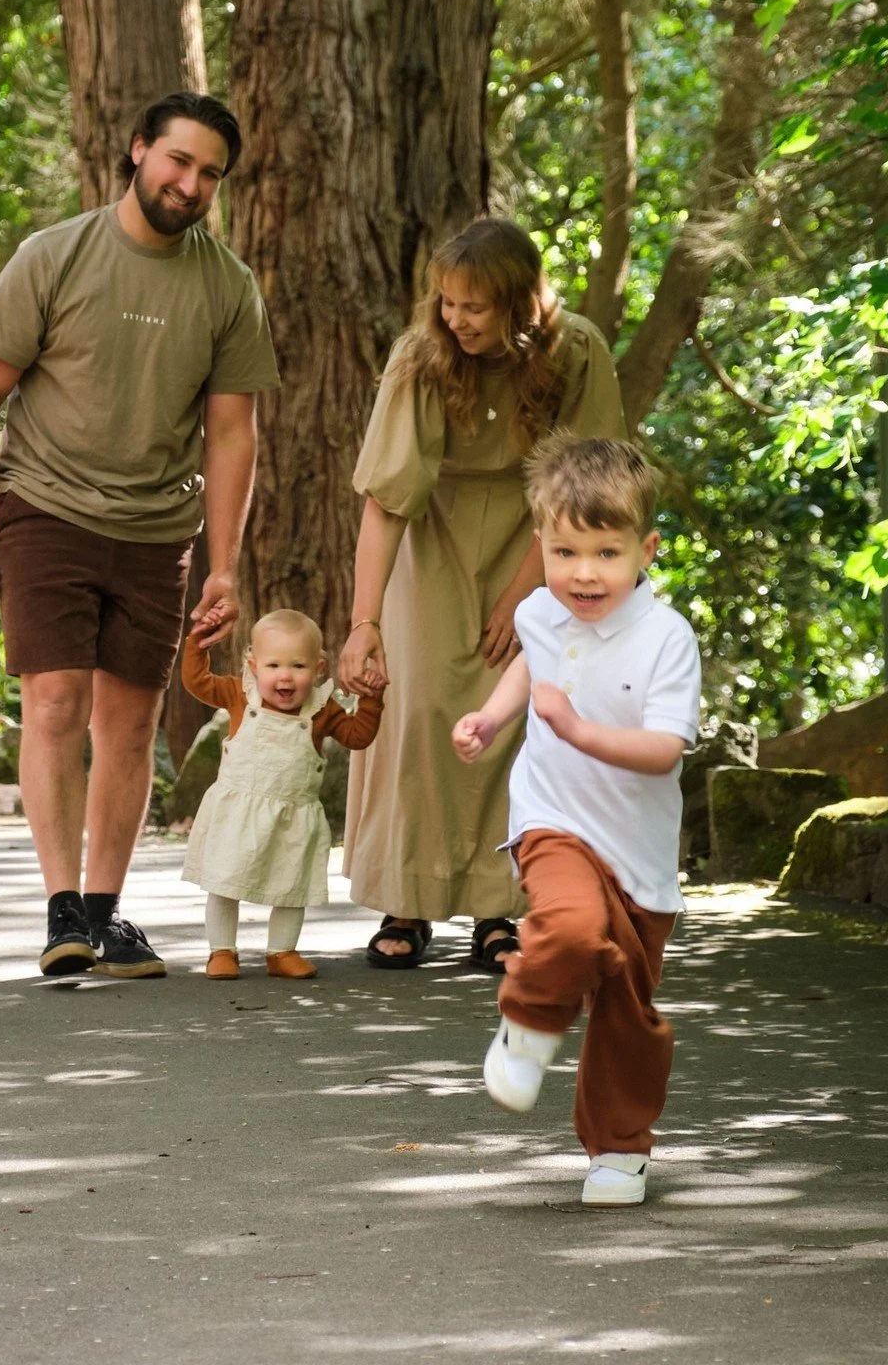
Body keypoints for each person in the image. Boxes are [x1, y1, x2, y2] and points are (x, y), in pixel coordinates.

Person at [0, 92, 279, 981]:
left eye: (210, 173)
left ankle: (104, 913)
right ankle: (61, 910)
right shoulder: (55, 256)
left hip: (155, 527)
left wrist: (224, 565)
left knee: (131, 726)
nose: (191, 183)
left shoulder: (226, 287)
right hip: (45, 509)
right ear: (138, 152)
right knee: (55, 703)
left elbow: (232, 433)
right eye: (178, 161)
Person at [338, 218, 626, 970]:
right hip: (431, 539)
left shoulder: (579, 349)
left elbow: (586, 484)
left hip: (547, 540)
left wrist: (524, 596)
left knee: (523, 716)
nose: (455, 320)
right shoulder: (422, 356)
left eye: (474, 307)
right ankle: (409, 898)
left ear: (519, 304)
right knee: (423, 706)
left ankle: (502, 908)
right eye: (446, 303)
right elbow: (386, 500)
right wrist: (364, 621)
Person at [451, 436, 701, 1207]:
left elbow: (663, 751)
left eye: (605, 552)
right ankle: (527, 1024)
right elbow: (528, 659)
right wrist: (494, 718)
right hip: (553, 820)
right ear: (542, 545)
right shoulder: (540, 609)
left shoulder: (667, 638)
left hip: (640, 857)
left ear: (645, 550)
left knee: (627, 1007)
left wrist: (577, 728)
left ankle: (619, 1149)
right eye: (564, 551)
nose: (583, 573)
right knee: (567, 925)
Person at [181, 609, 383, 980]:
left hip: (293, 816)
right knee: (224, 883)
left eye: (298, 666)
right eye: (273, 665)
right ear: (254, 667)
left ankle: (282, 951)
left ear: (319, 668)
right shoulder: (239, 695)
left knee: (292, 885)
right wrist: (198, 642)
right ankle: (222, 950)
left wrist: (371, 699)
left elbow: (359, 737)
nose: (285, 676)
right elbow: (196, 681)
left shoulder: (322, 710)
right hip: (237, 813)